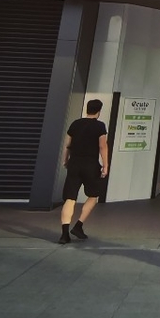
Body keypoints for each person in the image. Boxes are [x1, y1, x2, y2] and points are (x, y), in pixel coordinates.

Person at [59, 98, 109, 244]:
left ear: (87, 109)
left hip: (74, 163)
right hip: (90, 165)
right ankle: (79, 225)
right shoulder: (100, 126)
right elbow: (102, 146)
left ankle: (64, 234)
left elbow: (67, 145)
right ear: (99, 111)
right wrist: (105, 165)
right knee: (93, 196)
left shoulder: (75, 124)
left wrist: (65, 160)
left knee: (70, 198)